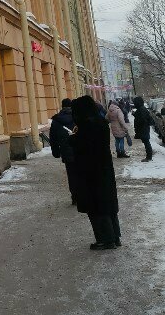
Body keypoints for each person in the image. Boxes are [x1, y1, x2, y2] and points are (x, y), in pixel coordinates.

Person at [70, 95, 121, 250]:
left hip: (91, 173)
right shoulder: (100, 123)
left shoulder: (86, 126)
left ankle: (105, 240)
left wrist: (72, 138)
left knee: (96, 206)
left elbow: (83, 147)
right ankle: (114, 236)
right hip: (104, 170)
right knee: (108, 205)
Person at [49, 98, 77, 205]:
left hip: (66, 151)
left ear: (62, 106)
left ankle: (75, 197)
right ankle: (83, 195)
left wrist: (56, 152)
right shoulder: (77, 117)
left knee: (71, 174)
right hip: (79, 150)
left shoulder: (57, 120)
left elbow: (53, 138)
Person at [132, 95, 154, 162]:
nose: (134, 104)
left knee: (146, 143)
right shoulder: (141, 109)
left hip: (143, 129)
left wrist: (139, 128)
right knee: (146, 142)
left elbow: (142, 119)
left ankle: (149, 157)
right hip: (144, 129)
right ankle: (149, 156)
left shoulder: (141, 109)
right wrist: (135, 114)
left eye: (135, 102)